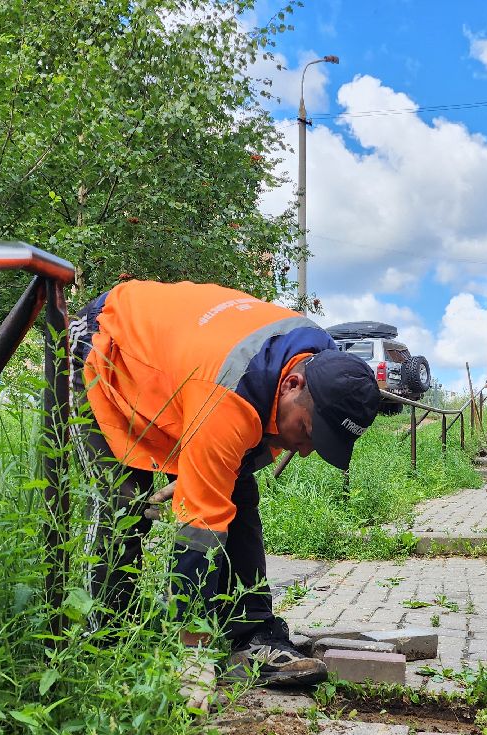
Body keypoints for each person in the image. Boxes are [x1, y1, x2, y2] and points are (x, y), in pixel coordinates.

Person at [68, 279, 380, 688]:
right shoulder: (229, 395)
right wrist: (192, 654)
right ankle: (106, 644)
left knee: (237, 491)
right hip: (109, 350)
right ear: (293, 385)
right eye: (307, 432)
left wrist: (202, 476)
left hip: (185, 373)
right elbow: (200, 526)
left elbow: (228, 474)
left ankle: (251, 636)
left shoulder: (321, 360)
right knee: (121, 503)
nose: (303, 451)